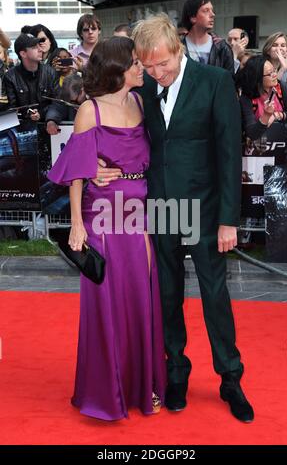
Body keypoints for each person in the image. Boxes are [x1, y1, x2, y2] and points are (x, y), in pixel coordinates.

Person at [96, 13, 254, 423]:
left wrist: (228, 219)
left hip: (204, 208)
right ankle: (175, 372)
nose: (156, 72)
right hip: (162, 206)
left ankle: (230, 377)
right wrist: (97, 162)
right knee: (167, 293)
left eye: (162, 63)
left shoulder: (215, 82)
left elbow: (228, 152)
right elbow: (115, 125)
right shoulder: (143, 87)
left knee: (213, 294)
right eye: (147, 66)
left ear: (178, 48)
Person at [47, 36, 166, 421]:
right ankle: (107, 391)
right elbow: (76, 173)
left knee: (141, 297)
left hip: (137, 213)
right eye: (134, 62)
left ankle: (140, 384)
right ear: (117, 68)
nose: (140, 68)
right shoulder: (89, 111)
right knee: (106, 304)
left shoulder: (141, 103)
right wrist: (77, 225)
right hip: (101, 218)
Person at [4, 33, 60, 122]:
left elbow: (57, 103)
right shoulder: (10, 77)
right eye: (34, 47)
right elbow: (11, 108)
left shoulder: (50, 72)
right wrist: (27, 113)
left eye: (39, 45)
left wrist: (41, 113)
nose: (40, 49)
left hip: (47, 124)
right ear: (23, 53)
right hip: (22, 127)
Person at [181, 0, 234, 74]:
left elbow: (229, 81)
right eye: (206, 10)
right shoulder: (177, 47)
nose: (212, 15)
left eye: (212, 10)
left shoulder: (222, 48)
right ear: (193, 17)